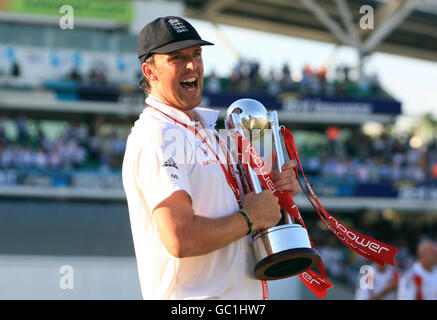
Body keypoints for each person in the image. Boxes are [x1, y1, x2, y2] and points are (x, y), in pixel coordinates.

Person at [122, 16, 300, 300]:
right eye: (177, 57)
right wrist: (251, 218)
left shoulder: (207, 131)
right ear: (150, 72)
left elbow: (245, 210)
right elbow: (181, 238)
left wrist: (274, 190)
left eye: (196, 53)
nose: (192, 65)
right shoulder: (155, 135)